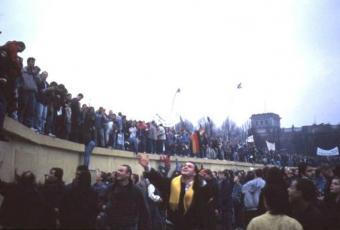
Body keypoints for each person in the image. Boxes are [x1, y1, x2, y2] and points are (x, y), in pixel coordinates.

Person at [137, 153, 209, 230]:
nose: (185, 167)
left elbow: (203, 210)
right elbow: (159, 180)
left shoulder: (200, 188)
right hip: (172, 224)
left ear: (194, 173)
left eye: (189, 166)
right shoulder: (173, 182)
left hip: (192, 226)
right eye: (184, 165)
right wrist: (147, 167)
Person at [102, 164, 151, 230]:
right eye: (117, 170)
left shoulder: (136, 190)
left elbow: (144, 210)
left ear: (128, 174)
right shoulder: (111, 188)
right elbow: (101, 200)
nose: (118, 172)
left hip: (129, 226)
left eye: (121, 170)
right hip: (111, 225)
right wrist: (104, 206)